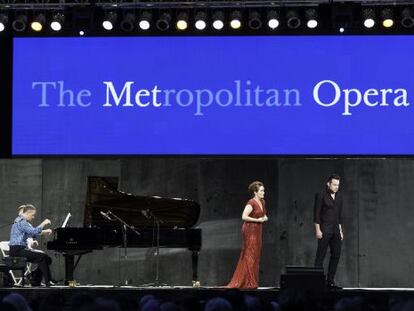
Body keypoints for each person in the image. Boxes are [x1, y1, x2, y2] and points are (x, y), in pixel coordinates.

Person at [227, 181, 268, 289]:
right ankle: (249, 283)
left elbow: (263, 215)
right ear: (255, 192)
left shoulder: (262, 202)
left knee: (255, 255)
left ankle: (251, 281)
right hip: (250, 230)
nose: (263, 192)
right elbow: (244, 216)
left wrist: (264, 218)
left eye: (263, 190)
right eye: (261, 191)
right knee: (250, 254)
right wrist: (257, 220)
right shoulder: (251, 202)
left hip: (258, 230)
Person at [9, 204, 54, 286]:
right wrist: (44, 223)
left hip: (18, 249)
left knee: (47, 259)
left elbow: (31, 233)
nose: (33, 217)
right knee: (42, 257)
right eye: (32, 215)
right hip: (17, 250)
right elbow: (34, 232)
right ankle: (47, 281)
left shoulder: (20, 221)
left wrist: (44, 232)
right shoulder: (22, 222)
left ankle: (34, 278)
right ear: (28, 213)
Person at [314, 174, 344, 289]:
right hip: (324, 229)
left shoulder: (340, 196)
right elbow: (316, 214)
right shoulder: (321, 195)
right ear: (328, 183)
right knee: (320, 255)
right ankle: (316, 282)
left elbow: (339, 215)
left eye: (338, 185)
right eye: (334, 184)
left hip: (336, 229)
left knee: (336, 254)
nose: (336, 187)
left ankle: (330, 281)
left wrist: (340, 230)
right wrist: (317, 230)